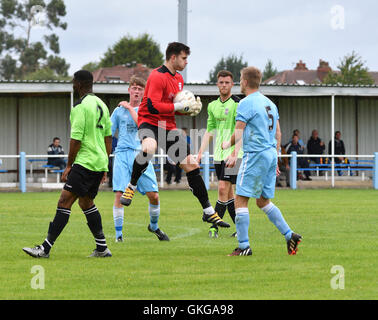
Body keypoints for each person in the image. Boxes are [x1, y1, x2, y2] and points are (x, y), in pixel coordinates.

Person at [119, 42, 230, 229]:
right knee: (149, 148)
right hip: (149, 121)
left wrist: (190, 109)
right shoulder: (156, 76)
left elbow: (172, 108)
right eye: (184, 58)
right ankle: (132, 185)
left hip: (167, 126)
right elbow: (153, 106)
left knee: (191, 164)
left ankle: (208, 212)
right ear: (173, 57)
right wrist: (179, 107)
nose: (186, 62)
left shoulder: (178, 78)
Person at [23, 70, 113, 258]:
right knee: (86, 202)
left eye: (73, 81)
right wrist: (104, 164)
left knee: (64, 201)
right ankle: (102, 248)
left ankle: (45, 249)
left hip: (85, 162)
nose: (72, 84)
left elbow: (75, 140)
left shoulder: (80, 107)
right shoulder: (102, 106)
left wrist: (69, 165)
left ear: (78, 84)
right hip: (98, 162)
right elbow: (108, 138)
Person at [223, 66, 302, 256]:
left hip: (255, 154)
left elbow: (239, 130)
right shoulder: (270, 104)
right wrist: (275, 159)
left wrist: (228, 144)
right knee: (263, 201)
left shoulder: (246, 103)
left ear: (244, 81)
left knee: (240, 200)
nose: (239, 83)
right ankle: (289, 235)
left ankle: (244, 247)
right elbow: (278, 133)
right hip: (270, 154)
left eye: (240, 79)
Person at [111, 75, 169, 242]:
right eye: (134, 88)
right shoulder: (118, 111)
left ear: (144, 93)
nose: (136, 91)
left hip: (141, 154)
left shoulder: (147, 110)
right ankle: (118, 236)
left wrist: (129, 108)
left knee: (154, 196)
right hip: (122, 154)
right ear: (129, 90)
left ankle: (154, 226)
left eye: (140, 89)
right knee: (119, 194)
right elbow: (108, 131)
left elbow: (141, 125)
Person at [197, 70, 242, 238]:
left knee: (222, 188)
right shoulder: (212, 106)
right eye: (221, 82)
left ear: (232, 84)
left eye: (227, 82)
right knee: (228, 193)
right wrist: (200, 152)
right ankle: (240, 229)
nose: (224, 85)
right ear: (217, 84)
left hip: (234, 155)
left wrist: (235, 152)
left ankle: (214, 226)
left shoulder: (238, 104)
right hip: (218, 155)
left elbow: (241, 130)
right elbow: (210, 131)